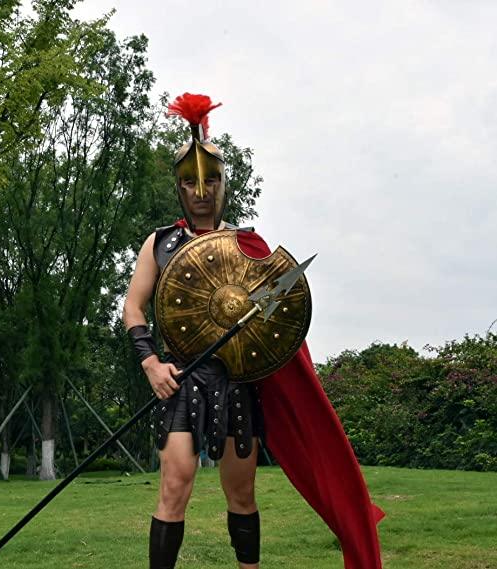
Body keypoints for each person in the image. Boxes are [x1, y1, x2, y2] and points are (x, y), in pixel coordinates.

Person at [124, 93, 385, 569]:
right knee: (174, 483)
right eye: (190, 182)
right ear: (179, 188)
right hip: (181, 381)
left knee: (240, 493)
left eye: (211, 180)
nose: (201, 191)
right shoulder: (160, 243)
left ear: (224, 184)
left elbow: (277, 327)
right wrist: (150, 363)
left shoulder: (248, 247)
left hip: (236, 384)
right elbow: (133, 308)